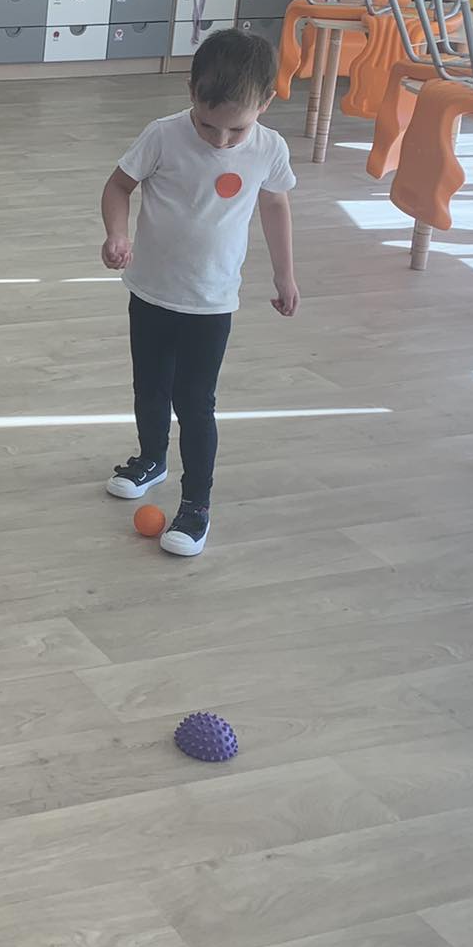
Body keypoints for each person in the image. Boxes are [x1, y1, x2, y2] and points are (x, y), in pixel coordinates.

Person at [98, 30, 299, 557]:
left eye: (237, 128)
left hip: (211, 303)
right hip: (151, 291)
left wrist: (285, 275)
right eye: (209, 125)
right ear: (191, 93)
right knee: (149, 388)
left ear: (266, 102)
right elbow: (119, 185)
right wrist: (117, 235)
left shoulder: (269, 148)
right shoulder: (163, 136)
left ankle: (196, 504)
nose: (222, 141)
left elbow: (275, 206)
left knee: (194, 402)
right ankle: (151, 459)